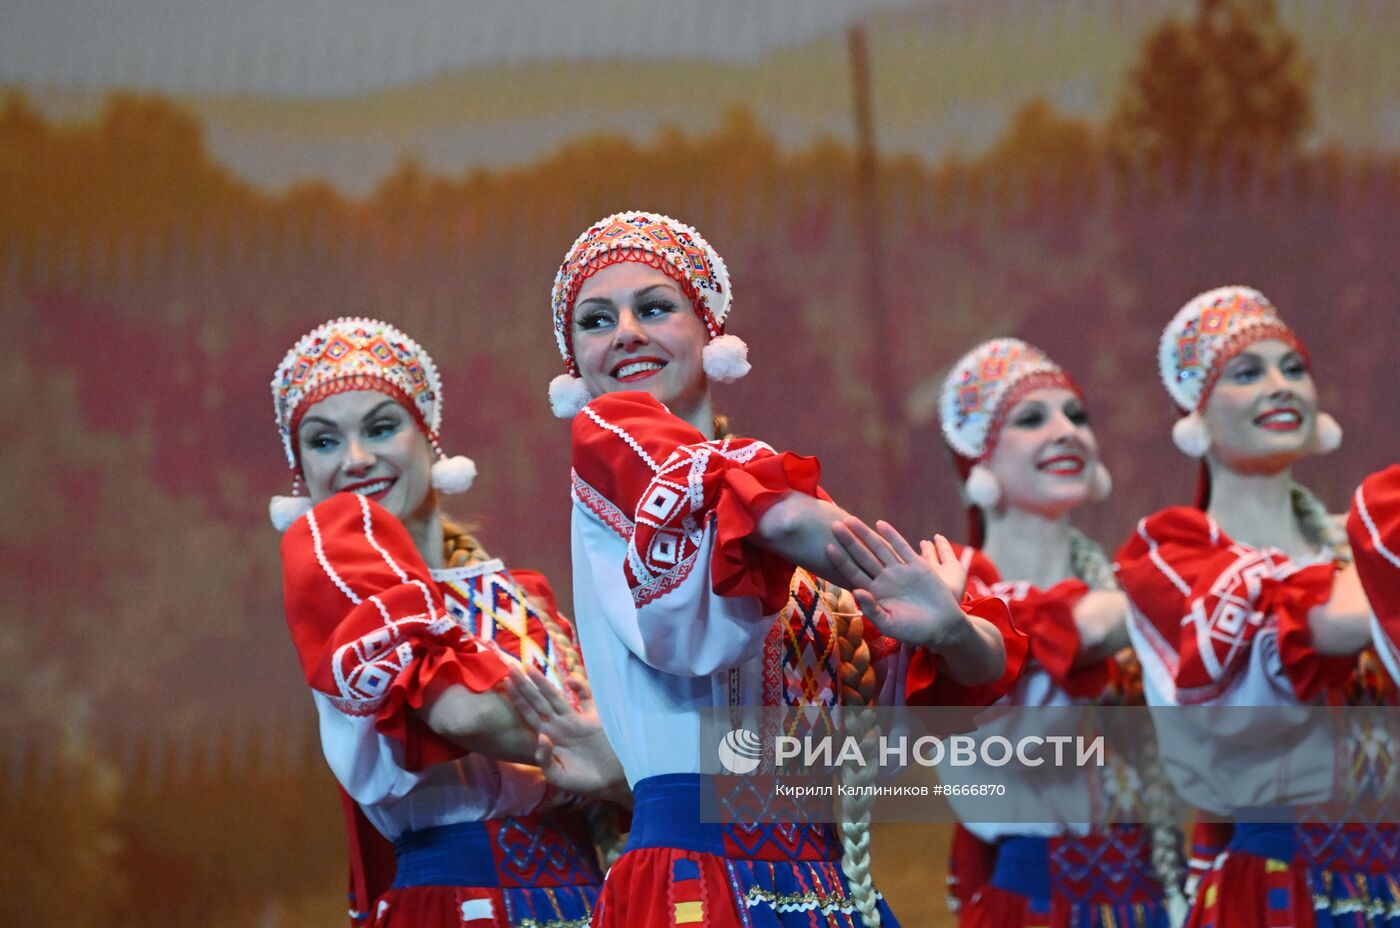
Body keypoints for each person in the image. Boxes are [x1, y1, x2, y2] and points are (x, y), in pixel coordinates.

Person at [547, 211, 1025, 927]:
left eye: (653, 308)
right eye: (595, 320)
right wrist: (882, 573)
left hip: (824, 885)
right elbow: (779, 516)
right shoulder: (613, 438)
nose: (626, 333)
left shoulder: (788, 507)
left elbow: (977, 674)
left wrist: (951, 627)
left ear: (711, 335)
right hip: (695, 879)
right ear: (574, 365)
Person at [270, 317, 619, 927]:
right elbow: (463, 711)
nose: (355, 459)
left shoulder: (524, 597)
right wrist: (622, 764)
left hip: (586, 901)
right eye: (323, 442)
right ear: (299, 472)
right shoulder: (328, 567)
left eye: (381, 428)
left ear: (427, 437)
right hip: (451, 907)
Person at [1113, 286, 1396, 927]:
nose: (1280, 385)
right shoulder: (1170, 555)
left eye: (1294, 368)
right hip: (1282, 889)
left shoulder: (1358, 552)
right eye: (1247, 373)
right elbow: (1317, 621)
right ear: (1198, 414)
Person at [932, 338, 1185, 928]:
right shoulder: (958, 604)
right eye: (1031, 418)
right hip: (1036, 897)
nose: (1065, 430)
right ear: (979, 461)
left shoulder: (1116, 586)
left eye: (1076, 415)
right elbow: (1023, 747)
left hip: (1147, 893)